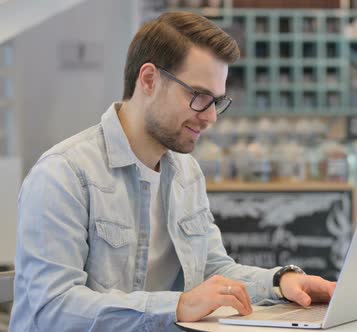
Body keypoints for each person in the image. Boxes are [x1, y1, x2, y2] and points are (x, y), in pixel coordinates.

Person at [10, 11, 336, 332]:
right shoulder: (63, 175)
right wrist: (177, 306)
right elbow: (51, 308)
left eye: (217, 101)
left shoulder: (186, 172)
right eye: (198, 96)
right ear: (149, 79)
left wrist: (281, 283)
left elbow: (212, 271)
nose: (210, 118)